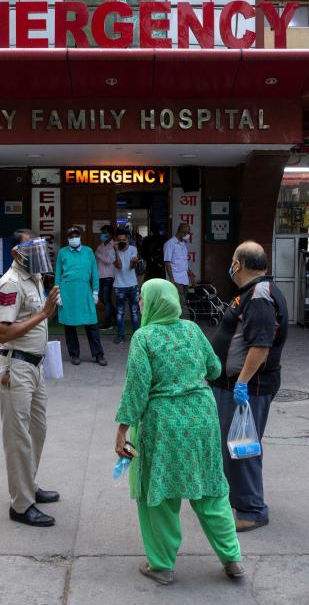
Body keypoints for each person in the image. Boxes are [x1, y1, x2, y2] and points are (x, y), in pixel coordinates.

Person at [114, 279, 245, 585]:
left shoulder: (143, 337)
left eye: (144, 300)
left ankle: (161, 565)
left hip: (163, 424)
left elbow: (136, 389)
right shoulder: (192, 329)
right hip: (201, 417)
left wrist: (121, 432)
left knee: (158, 493)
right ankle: (232, 559)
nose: (142, 305)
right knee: (211, 488)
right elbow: (214, 369)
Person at [210, 241, 288, 532]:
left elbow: (260, 346)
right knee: (234, 448)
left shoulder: (259, 297)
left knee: (242, 448)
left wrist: (241, 383)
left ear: (238, 264)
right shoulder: (252, 293)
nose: (230, 265)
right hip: (233, 385)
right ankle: (240, 500)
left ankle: (252, 510)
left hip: (246, 389)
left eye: (232, 259)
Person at [0, 230, 62, 527]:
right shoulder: (10, 283)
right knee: (18, 438)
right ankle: (20, 505)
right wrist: (43, 314)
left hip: (34, 366)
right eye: (31, 248)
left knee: (37, 431)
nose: (38, 254)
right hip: (15, 368)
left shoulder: (33, 278)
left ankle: (28, 485)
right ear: (16, 252)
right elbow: (4, 331)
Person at [55, 227, 106, 366]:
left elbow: (95, 272)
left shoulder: (88, 251)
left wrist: (95, 292)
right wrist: (57, 293)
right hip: (67, 292)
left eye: (76, 235)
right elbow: (58, 274)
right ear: (67, 239)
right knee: (69, 325)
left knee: (92, 324)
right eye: (71, 236)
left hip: (84, 291)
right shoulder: (62, 253)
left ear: (80, 237)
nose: (74, 238)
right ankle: (74, 354)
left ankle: (98, 354)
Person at [113, 228, 141, 344]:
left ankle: (136, 336)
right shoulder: (113, 251)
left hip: (132, 286)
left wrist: (134, 261)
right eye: (119, 240)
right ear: (116, 241)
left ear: (128, 239)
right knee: (120, 312)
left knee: (134, 312)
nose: (122, 242)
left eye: (124, 240)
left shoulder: (133, 249)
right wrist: (116, 251)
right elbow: (119, 266)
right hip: (119, 286)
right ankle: (120, 335)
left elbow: (132, 267)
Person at [163, 223, 195, 307]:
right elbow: (167, 262)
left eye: (188, 233)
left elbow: (183, 261)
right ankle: (185, 319)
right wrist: (172, 279)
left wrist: (189, 272)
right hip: (176, 280)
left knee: (182, 303)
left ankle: (178, 320)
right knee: (181, 305)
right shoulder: (170, 244)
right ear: (181, 232)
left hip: (185, 279)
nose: (188, 235)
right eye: (187, 233)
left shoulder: (183, 244)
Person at [94, 225, 117, 329]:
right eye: (102, 232)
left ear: (110, 235)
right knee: (102, 298)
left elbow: (110, 260)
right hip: (100, 276)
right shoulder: (100, 246)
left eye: (104, 232)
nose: (102, 234)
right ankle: (115, 316)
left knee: (106, 298)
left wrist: (98, 254)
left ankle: (107, 322)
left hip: (108, 276)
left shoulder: (114, 246)